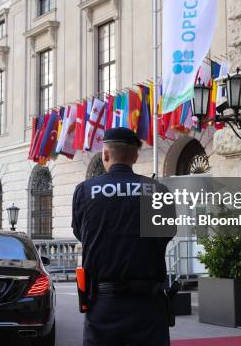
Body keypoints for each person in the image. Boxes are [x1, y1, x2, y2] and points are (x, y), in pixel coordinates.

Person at [72, 127, 176, 346]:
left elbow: (83, 235)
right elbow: (166, 234)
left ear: (106, 155)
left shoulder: (85, 190)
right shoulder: (157, 190)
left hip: (104, 305)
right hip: (148, 305)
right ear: (135, 156)